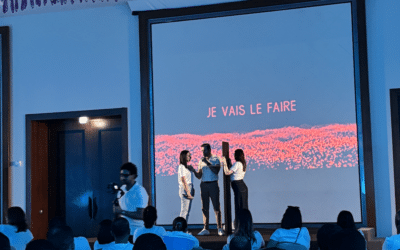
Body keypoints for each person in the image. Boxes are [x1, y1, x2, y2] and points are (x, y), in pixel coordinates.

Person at [188, 143, 224, 236]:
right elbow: (199, 176)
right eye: (202, 151)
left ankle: (219, 228)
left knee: (216, 206)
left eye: (204, 150)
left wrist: (207, 162)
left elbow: (216, 171)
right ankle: (206, 228)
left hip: (213, 184)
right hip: (203, 184)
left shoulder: (215, 159)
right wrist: (193, 171)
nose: (203, 152)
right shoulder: (201, 161)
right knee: (204, 207)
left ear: (209, 150)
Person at [113, 162, 149, 235]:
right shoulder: (121, 190)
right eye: (121, 175)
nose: (122, 178)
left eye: (126, 175)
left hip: (136, 232)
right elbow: (118, 212)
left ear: (134, 176)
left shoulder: (140, 191)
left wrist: (122, 211)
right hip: (123, 232)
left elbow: (141, 215)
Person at [221, 149, 249, 228]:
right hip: (241, 186)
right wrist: (229, 163)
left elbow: (227, 172)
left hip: (238, 186)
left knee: (239, 206)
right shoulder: (243, 163)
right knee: (243, 206)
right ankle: (242, 224)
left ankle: (238, 224)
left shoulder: (237, 163)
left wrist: (225, 163)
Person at [178, 150, 195, 223]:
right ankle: (180, 229)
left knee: (187, 211)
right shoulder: (181, 166)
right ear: (184, 157)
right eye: (188, 155)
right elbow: (183, 179)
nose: (190, 157)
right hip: (185, 189)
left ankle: (184, 228)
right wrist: (188, 192)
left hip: (189, 188)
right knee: (184, 211)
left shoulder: (187, 167)